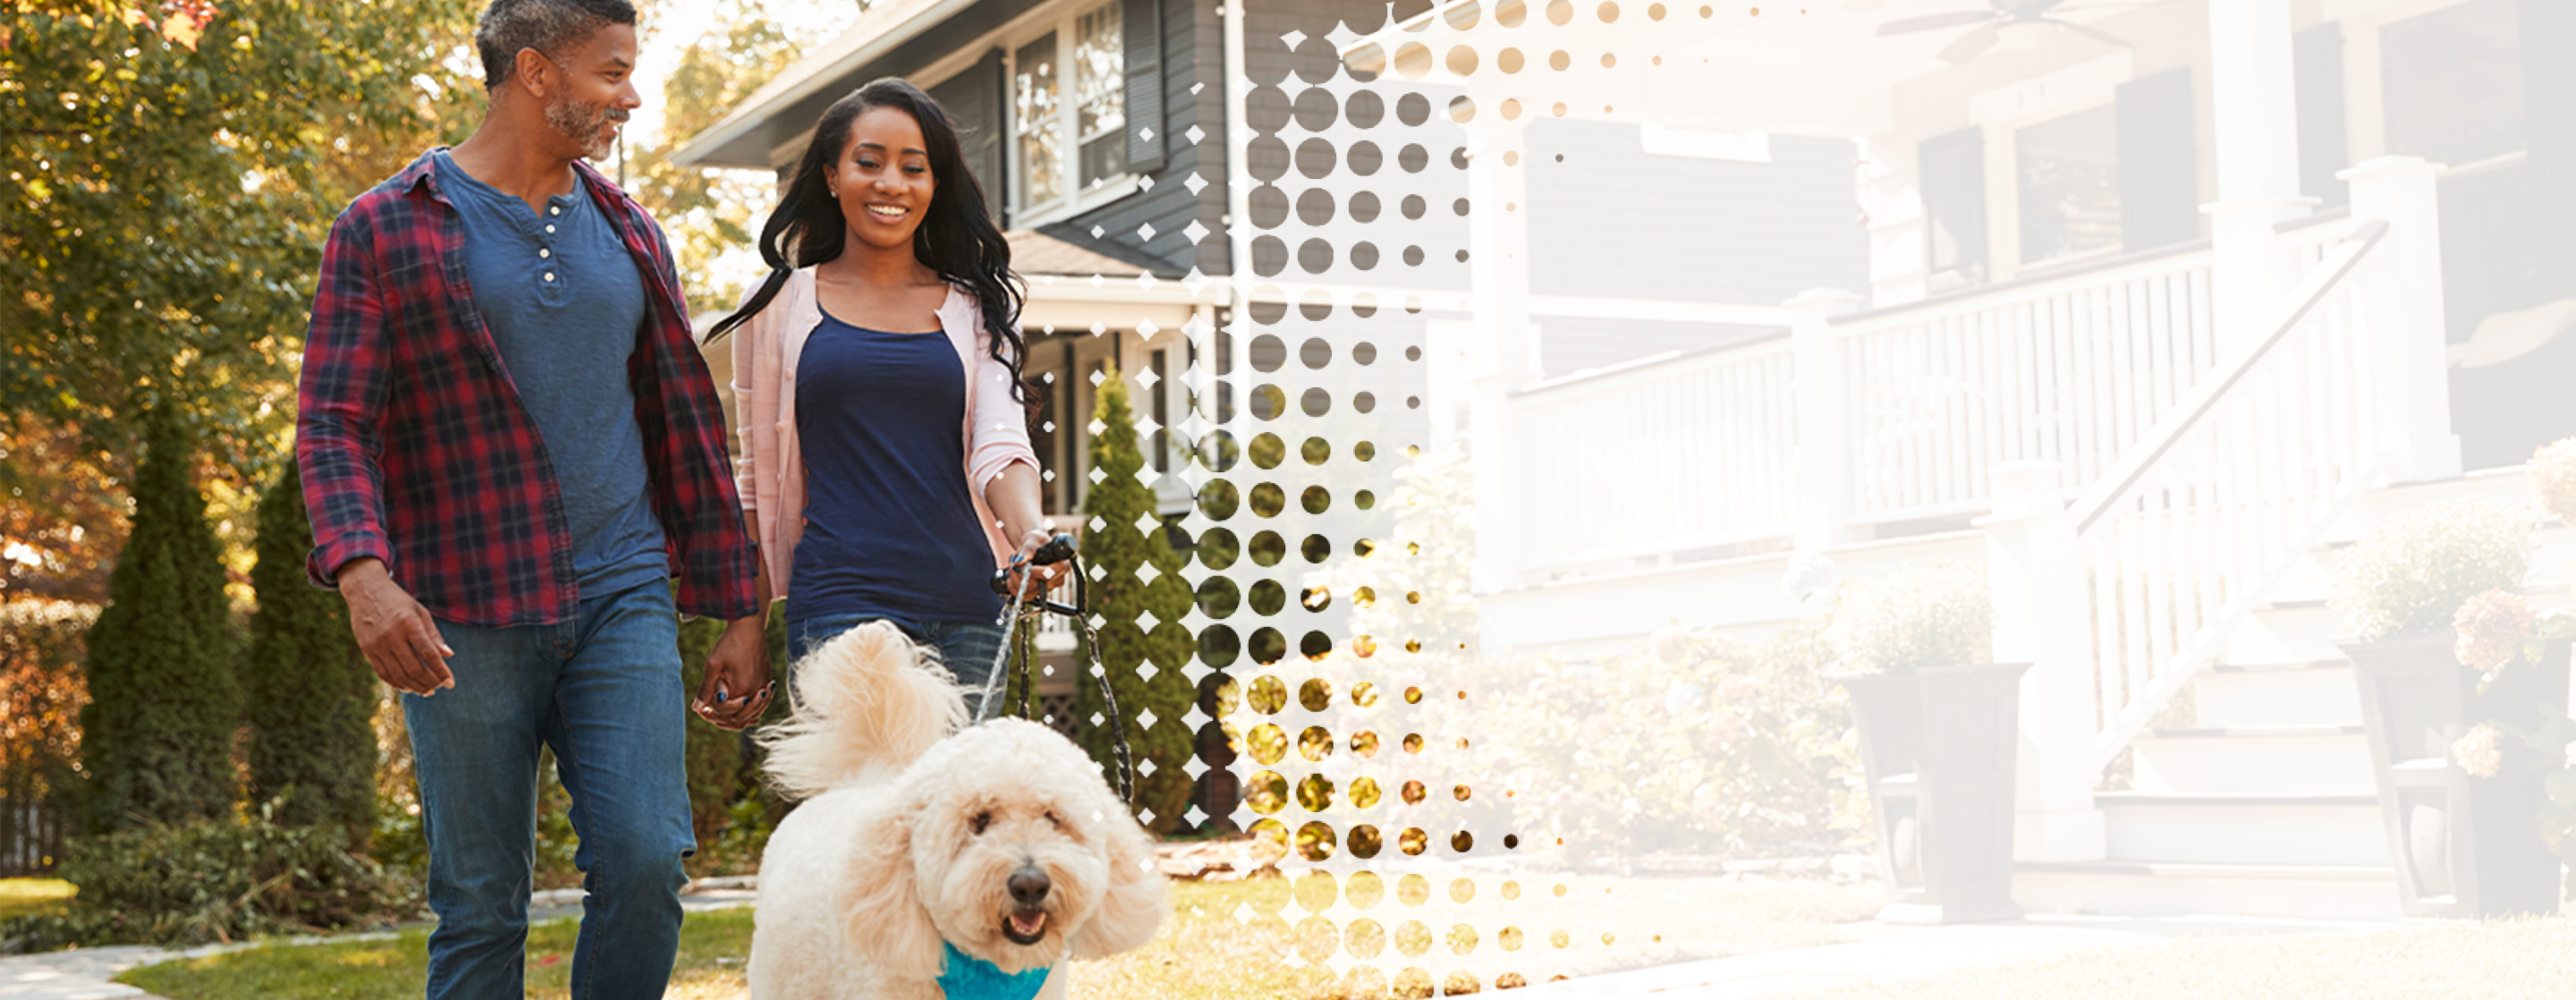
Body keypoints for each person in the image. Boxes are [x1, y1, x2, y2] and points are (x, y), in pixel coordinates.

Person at [296, 1, 771, 995]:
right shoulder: (386, 225)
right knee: (479, 904)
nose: (630, 96)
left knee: (646, 861)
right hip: (464, 607)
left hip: (623, 592)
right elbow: (335, 420)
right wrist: (363, 578)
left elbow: (683, 428)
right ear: (536, 73)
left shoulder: (630, 229)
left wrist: (738, 603)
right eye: (611, 71)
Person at [704, 78, 1061, 705]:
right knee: (858, 803)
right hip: (839, 608)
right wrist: (745, 625)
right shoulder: (776, 307)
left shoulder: (982, 307)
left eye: (914, 168)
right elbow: (755, 481)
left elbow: (1002, 445)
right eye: (869, 163)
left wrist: (1031, 533)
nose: (892, 183)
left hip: (968, 609)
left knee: (955, 803)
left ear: (935, 185)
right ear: (832, 176)